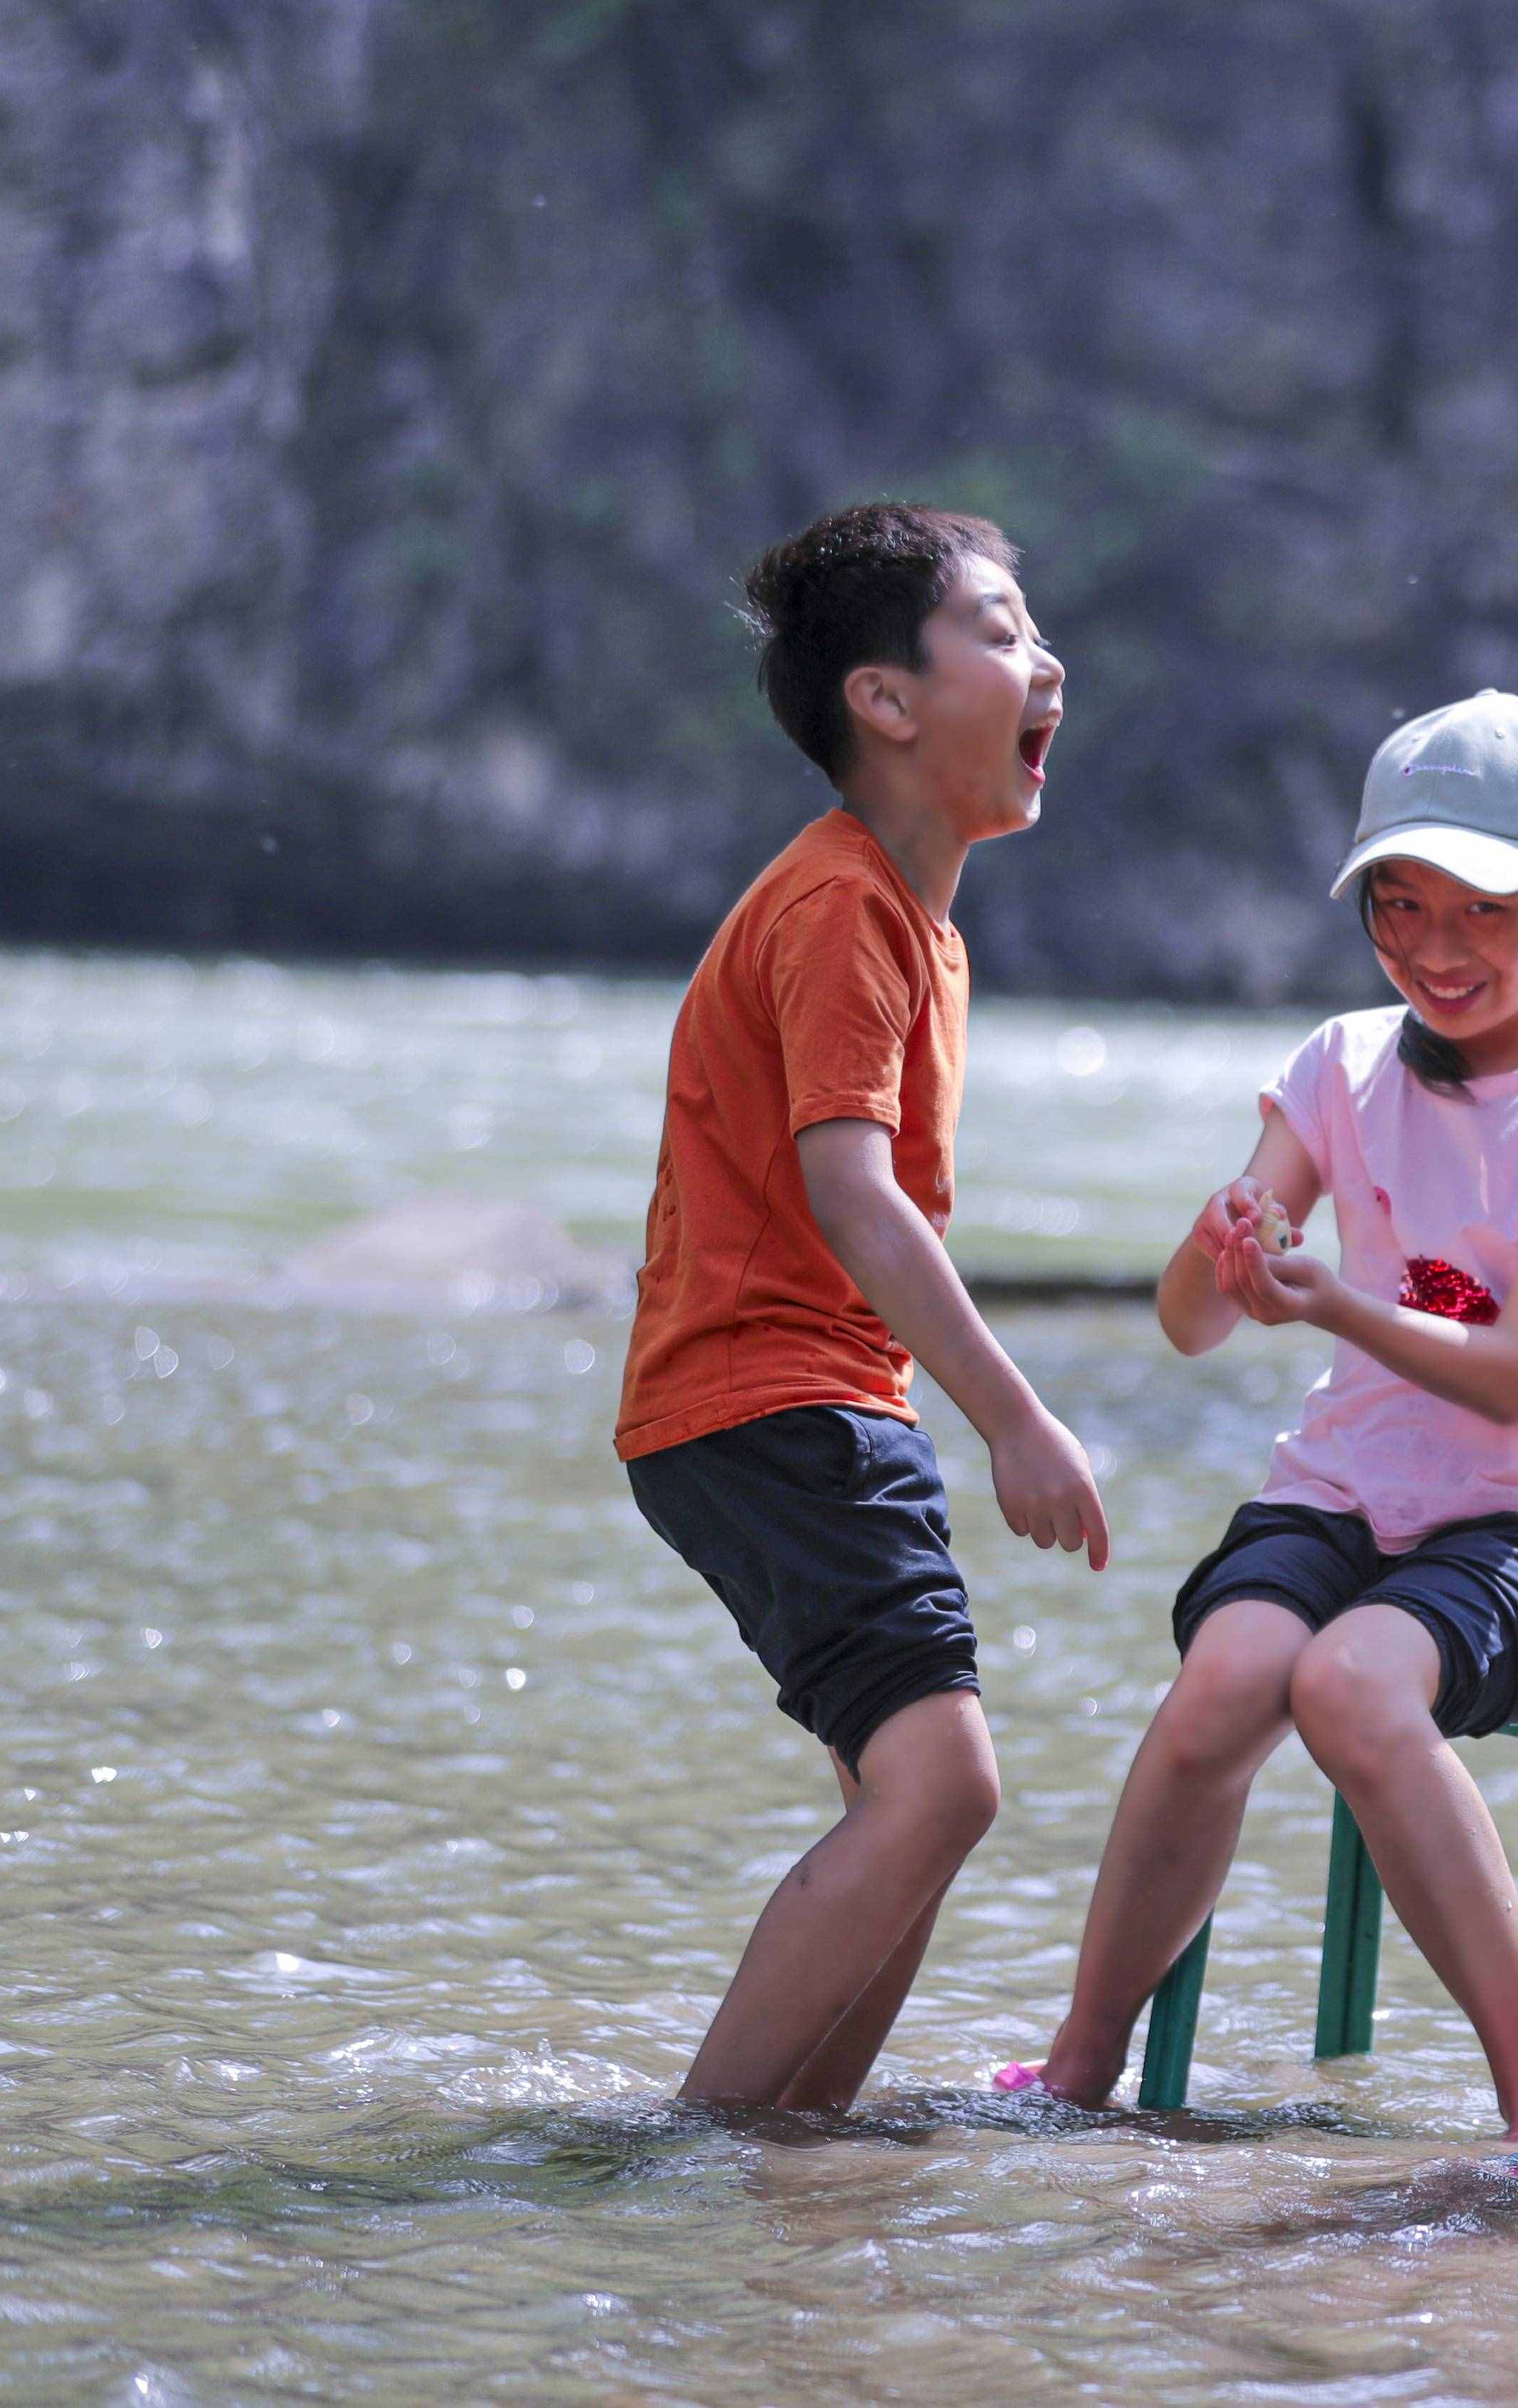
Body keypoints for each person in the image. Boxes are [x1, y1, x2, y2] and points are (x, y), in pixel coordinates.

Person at [1001, 691, 1518, 2136]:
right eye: (1400, 908)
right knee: (1219, 1686)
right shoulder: (1341, 1060)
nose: (1436, 950)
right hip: (1339, 1496)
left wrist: (1324, 1303)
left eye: (1480, 912)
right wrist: (1229, 1251)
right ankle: (1081, 2062)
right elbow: (1190, 1323)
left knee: (1350, 1685)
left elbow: (1515, 1374)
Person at [617, 502, 1109, 2109]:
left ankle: (798, 2139)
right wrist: (1019, 1421)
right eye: (998, 626)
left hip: (785, 1397)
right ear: (884, 700)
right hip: (777, 1393)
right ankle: (701, 2138)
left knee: (900, 1794)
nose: (1045, 663)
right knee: (942, 1786)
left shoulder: (910, 919)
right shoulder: (841, 906)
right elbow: (852, 1189)